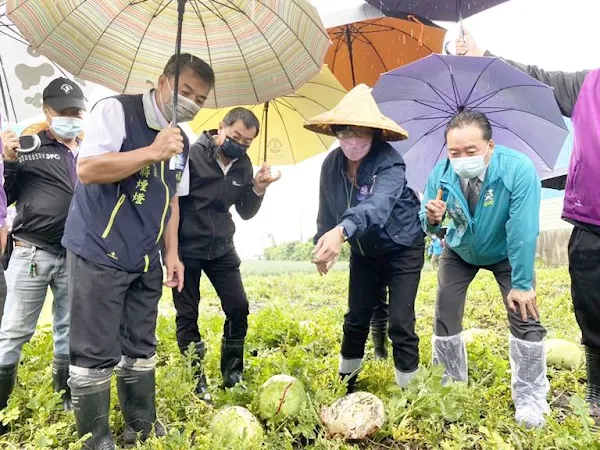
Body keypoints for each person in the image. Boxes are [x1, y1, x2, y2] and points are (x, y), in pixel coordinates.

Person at [61, 54, 214, 449]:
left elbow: (174, 201)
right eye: (185, 91)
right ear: (163, 81)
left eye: (199, 98)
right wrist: (151, 151)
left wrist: (173, 253)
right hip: (100, 248)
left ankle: (140, 425)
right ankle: (96, 439)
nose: (191, 102)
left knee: (141, 345)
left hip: (145, 256)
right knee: (94, 350)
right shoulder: (116, 110)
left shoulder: (181, 140)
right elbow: (88, 170)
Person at [457, 31, 600, 419]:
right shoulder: (587, 85)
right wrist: (484, 56)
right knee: (592, 308)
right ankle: (598, 392)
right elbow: (531, 81)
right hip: (592, 220)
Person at [422, 110, 548, 428]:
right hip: (460, 251)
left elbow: (522, 229)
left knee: (525, 312)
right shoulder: (441, 175)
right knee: (445, 313)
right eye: (454, 152)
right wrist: (433, 220)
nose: (461, 159)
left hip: (505, 250)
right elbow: (434, 231)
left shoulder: (517, 169)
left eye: (471, 151)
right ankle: (449, 388)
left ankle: (531, 397)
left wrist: (521, 282)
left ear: (489, 146)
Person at [306, 84, 425, 392]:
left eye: (360, 133)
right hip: (364, 251)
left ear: (375, 133)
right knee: (356, 315)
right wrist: (323, 243)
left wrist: (342, 231)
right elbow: (326, 210)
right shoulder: (331, 165)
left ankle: (409, 394)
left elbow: (377, 206)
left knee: (400, 322)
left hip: (403, 246)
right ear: (336, 132)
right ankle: (346, 383)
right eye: (345, 132)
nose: (352, 140)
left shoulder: (391, 163)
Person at [174, 107, 280, 399]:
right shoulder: (192, 156)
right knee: (187, 313)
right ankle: (196, 378)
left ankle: (232, 374)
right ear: (220, 128)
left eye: (247, 142)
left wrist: (258, 188)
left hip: (222, 247)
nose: (240, 145)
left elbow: (245, 211)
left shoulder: (243, 165)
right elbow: (172, 202)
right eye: (235, 137)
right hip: (187, 248)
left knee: (238, 306)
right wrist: (170, 251)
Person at [0, 78, 85, 431]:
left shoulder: (87, 151)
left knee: (67, 329)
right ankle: (1, 405)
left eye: (76, 112)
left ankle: (62, 394)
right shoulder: (29, 146)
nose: (71, 118)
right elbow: (7, 194)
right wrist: (7, 161)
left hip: (73, 254)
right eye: (63, 112)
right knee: (14, 331)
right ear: (47, 112)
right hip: (32, 252)